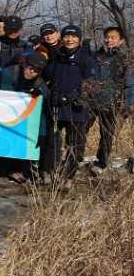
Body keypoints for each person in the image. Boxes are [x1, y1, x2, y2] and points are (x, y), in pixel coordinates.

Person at [43, 24, 98, 192]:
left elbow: (91, 85)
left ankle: (68, 177)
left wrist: (70, 96)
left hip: (77, 110)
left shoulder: (86, 60)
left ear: (79, 39)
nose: (69, 39)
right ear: (62, 38)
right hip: (57, 108)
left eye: (73, 37)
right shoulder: (58, 57)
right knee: (51, 142)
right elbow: (47, 76)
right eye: (67, 36)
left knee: (74, 145)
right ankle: (48, 171)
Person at [89, 27, 134, 178]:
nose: (109, 40)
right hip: (90, 102)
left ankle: (101, 164)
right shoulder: (95, 56)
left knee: (107, 136)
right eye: (107, 37)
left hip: (111, 103)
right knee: (79, 132)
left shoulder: (123, 60)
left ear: (121, 41)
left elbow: (129, 83)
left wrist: (128, 104)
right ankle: (73, 160)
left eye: (113, 37)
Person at [0, 52, 49, 184]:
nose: (32, 71)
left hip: (25, 115)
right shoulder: (9, 73)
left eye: (37, 70)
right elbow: (7, 100)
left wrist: (41, 134)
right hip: (4, 110)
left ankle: (19, 168)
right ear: (24, 64)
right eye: (30, 67)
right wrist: (26, 95)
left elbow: (41, 112)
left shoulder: (40, 84)